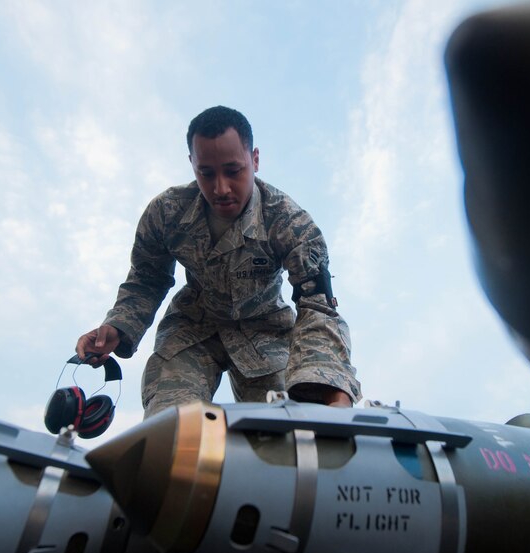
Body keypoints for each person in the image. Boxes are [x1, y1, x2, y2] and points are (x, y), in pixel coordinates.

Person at [76, 105, 361, 417]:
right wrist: (118, 326)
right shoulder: (166, 212)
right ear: (192, 165)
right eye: (206, 173)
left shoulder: (290, 223)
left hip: (264, 332)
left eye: (233, 170)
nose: (220, 188)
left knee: (290, 430)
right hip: (192, 329)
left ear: (254, 160)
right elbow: (147, 279)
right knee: (171, 427)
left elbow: (317, 306)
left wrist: (331, 386)